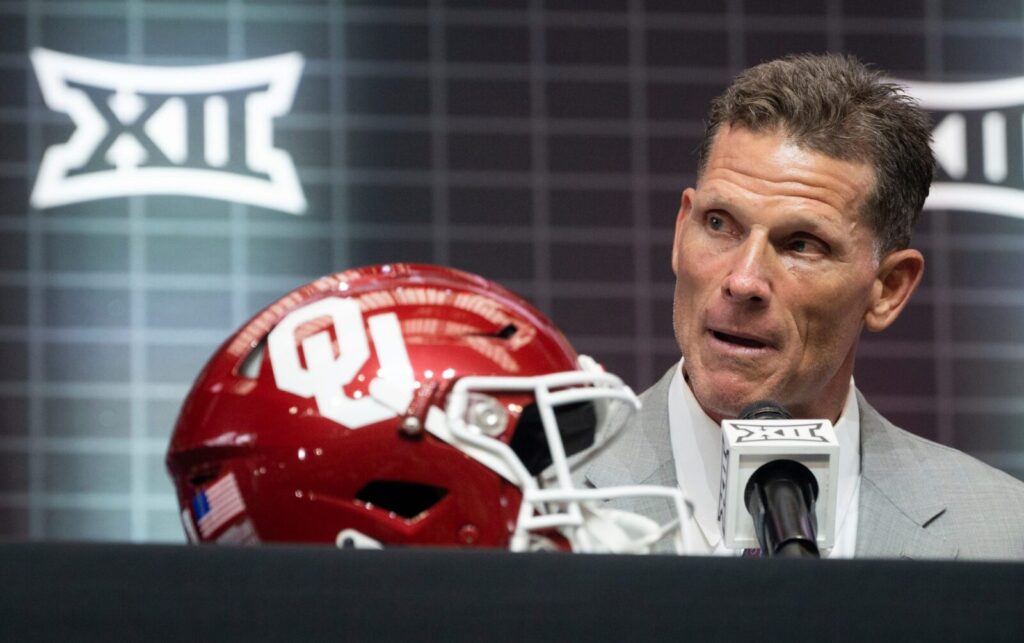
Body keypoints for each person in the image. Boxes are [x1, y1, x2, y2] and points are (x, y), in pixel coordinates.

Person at [580, 53, 1024, 559]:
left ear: (888, 288)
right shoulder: (526, 498)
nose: (744, 280)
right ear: (682, 232)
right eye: (720, 223)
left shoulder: (1004, 536)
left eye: (801, 245)